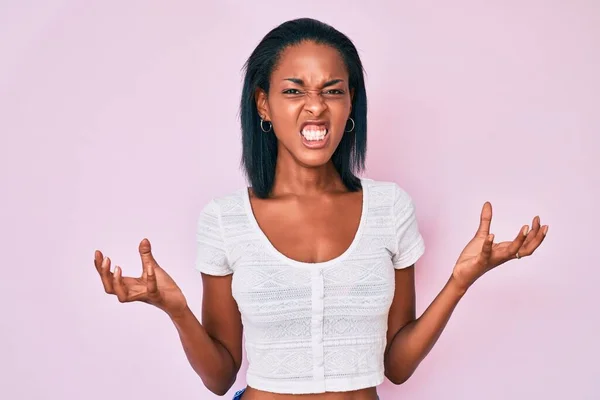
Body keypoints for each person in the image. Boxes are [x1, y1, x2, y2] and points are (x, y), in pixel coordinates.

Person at [93, 18, 548, 400]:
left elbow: (397, 366)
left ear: (351, 103)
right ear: (263, 105)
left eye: (333, 90)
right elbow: (220, 377)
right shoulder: (225, 220)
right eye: (294, 92)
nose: (316, 107)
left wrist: (458, 283)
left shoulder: (390, 209)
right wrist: (176, 309)